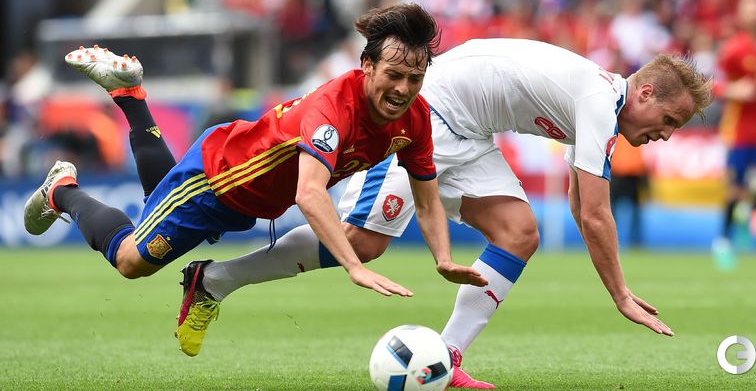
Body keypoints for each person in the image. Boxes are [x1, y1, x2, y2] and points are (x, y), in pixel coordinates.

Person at [191, 38, 712, 388]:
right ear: (645, 93)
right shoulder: (599, 101)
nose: (666, 135)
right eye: (669, 120)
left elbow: (581, 205)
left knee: (518, 232)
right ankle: (215, 281)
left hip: (470, 133)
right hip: (428, 114)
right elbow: (596, 216)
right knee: (363, 243)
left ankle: (444, 359)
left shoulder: (599, 103)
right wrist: (619, 295)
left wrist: (616, 285)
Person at [23, 3, 487, 357]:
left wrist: (444, 258)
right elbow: (309, 193)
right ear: (367, 65)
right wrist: (353, 265)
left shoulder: (415, 118)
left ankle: (129, 94)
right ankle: (63, 190)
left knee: (156, 200)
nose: (403, 88)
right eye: (394, 74)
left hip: (244, 198)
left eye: (414, 77)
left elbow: (427, 199)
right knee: (131, 260)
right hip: (214, 180)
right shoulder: (333, 109)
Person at [713, 0, 756, 268]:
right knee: (734, 189)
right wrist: (734, 90)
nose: (755, 14)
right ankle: (723, 241)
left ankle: (748, 211)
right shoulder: (734, 50)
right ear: (742, 16)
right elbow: (712, 85)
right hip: (739, 131)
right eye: (749, 10)